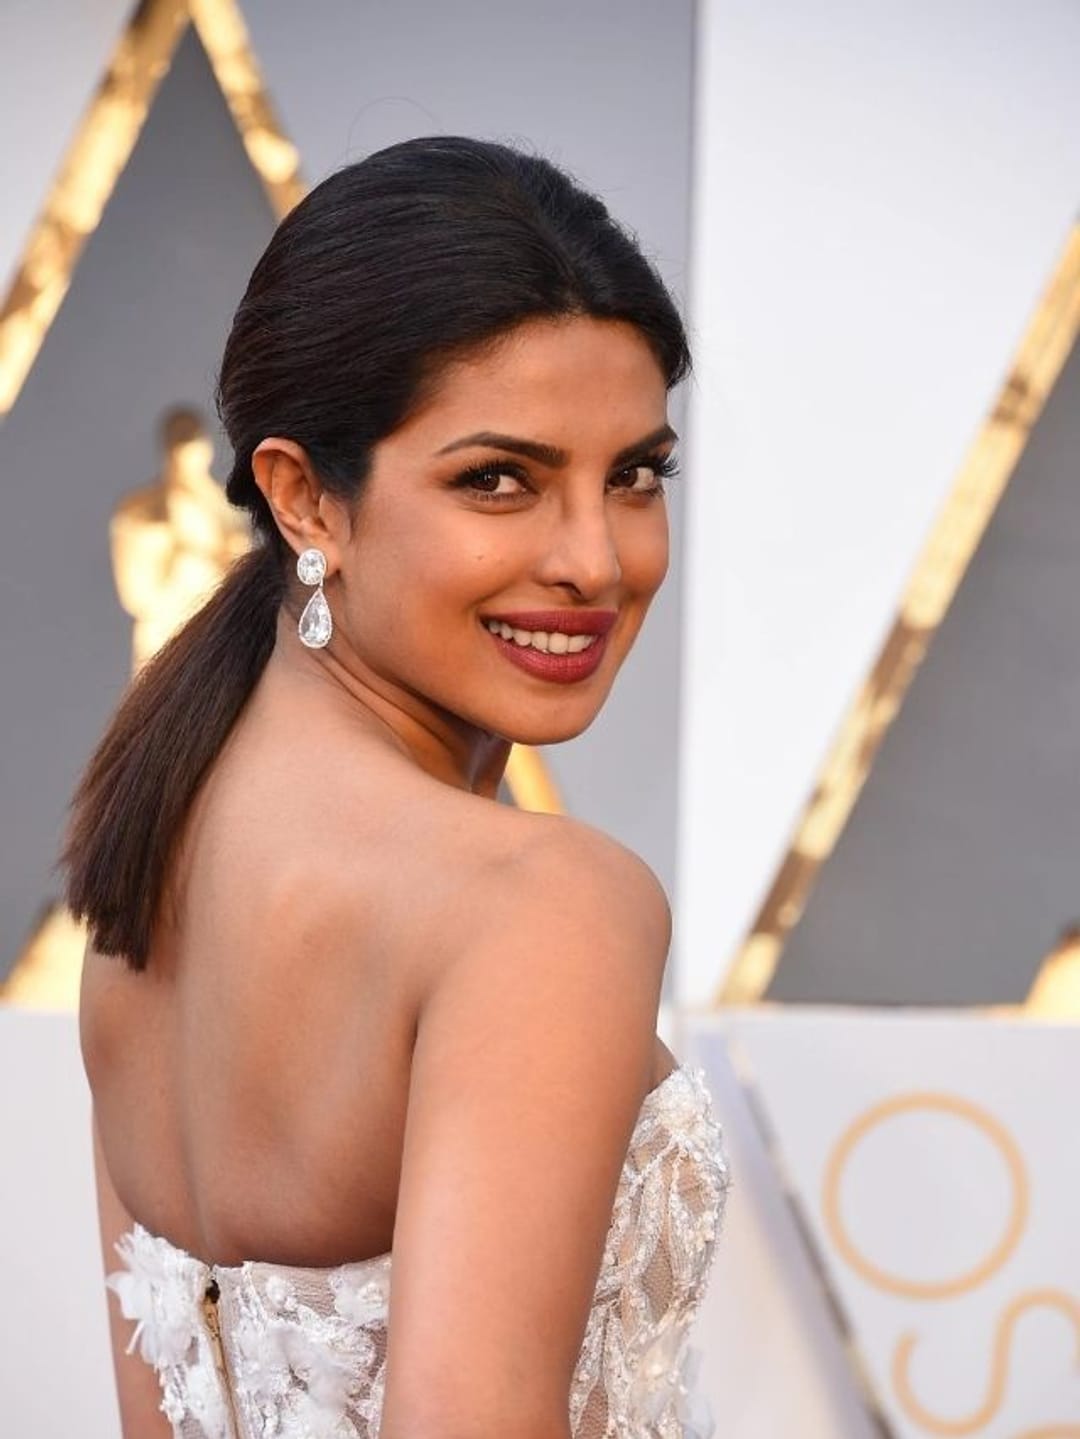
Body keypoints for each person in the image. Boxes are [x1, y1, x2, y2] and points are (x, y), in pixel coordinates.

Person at [65, 135, 730, 1439]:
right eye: (499, 480)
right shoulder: (538, 907)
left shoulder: (152, 840)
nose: (596, 561)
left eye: (634, 476)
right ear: (305, 498)